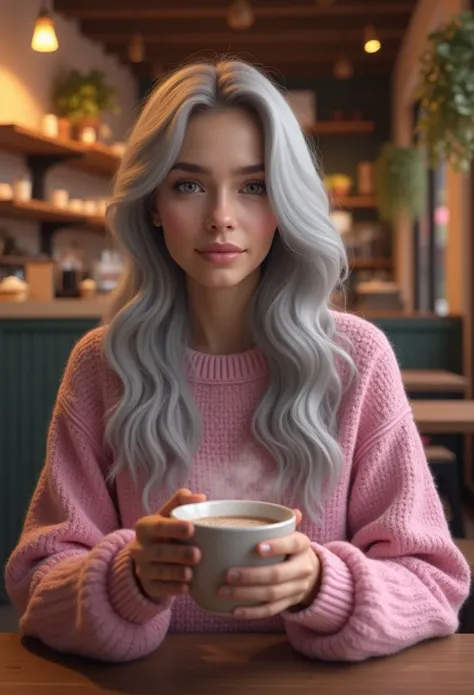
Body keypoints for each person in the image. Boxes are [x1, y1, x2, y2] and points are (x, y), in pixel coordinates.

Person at [5, 59, 470, 664]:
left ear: (284, 204)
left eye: (254, 186)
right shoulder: (102, 366)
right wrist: (130, 577)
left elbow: (435, 583)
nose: (221, 215)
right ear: (151, 203)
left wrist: (320, 585)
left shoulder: (355, 359)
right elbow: (37, 585)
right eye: (189, 184)